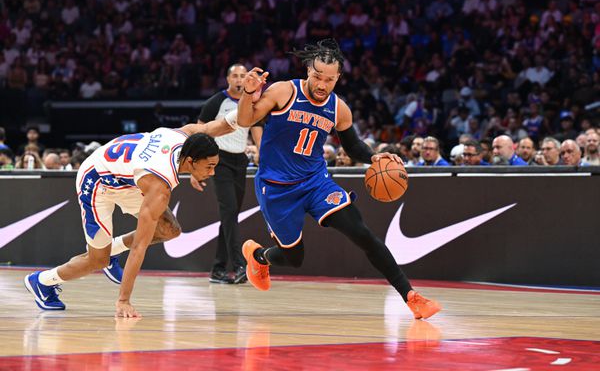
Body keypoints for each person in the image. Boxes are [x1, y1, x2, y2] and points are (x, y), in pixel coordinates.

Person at [237, 39, 441, 320]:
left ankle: (411, 297)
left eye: (329, 80)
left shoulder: (338, 108)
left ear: (338, 78)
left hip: (315, 183)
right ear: (308, 70)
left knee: (362, 233)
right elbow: (246, 121)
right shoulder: (284, 91)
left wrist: (375, 157)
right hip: (276, 188)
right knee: (294, 258)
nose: (322, 85)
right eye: (318, 77)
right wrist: (248, 94)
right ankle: (259, 257)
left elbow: (353, 145)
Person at [24, 115, 237, 317]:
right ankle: (42, 281)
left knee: (169, 230)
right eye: (210, 166)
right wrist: (123, 300)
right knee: (97, 260)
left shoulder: (183, 136)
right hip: (97, 181)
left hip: (128, 178)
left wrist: (248, 97)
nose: (212, 172)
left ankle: (112, 251)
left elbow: (219, 125)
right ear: (190, 161)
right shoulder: (160, 186)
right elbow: (139, 247)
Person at [198, 63, 263, 285]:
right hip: (220, 160)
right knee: (230, 211)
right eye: (235, 75)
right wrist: (198, 168)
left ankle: (217, 269)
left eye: (243, 76)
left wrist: (261, 152)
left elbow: (256, 128)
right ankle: (239, 265)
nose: (239, 79)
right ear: (228, 79)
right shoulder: (216, 101)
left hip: (240, 160)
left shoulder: (250, 102)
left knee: (230, 215)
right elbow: (199, 130)